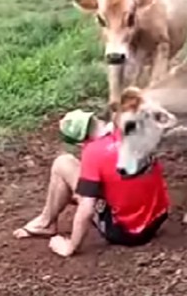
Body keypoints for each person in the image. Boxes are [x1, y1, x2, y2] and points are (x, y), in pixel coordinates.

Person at [12, 109, 170, 257]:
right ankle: (47, 220)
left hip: (127, 233)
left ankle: (46, 222)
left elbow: (86, 210)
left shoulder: (93, 152)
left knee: (63, 163)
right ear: (97, 119)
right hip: (157, 218)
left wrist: (71, 247)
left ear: (80, 144)